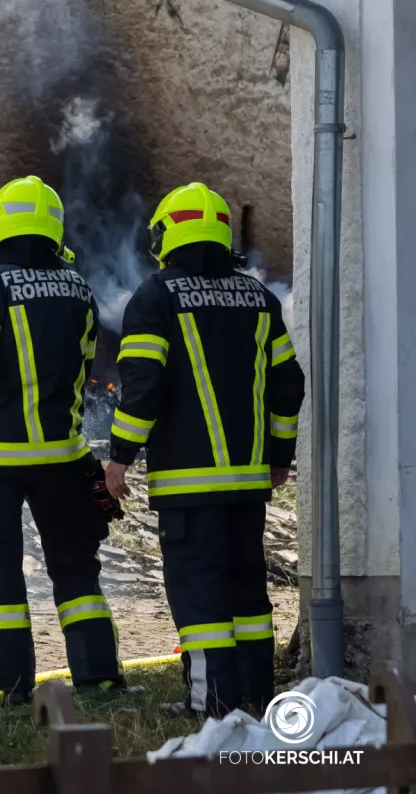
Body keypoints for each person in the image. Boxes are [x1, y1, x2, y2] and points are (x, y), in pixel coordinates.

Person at [104, 182, 305, 718]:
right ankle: (257, 694)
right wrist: (279, 455)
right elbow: (289, 384)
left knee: (200, 595)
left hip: (188, 485)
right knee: (248, 594)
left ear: (167, 238)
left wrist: (120, 455)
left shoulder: (156, 297)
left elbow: (142, 385)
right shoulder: (259, 299)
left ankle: (210, 702)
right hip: (249, 484)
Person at [0, 175, 124, 706]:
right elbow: (81, 366)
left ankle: (14, 687)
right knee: (76, 568)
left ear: (1, 226)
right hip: (62, 457)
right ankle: (98, 677)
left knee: (3, 572)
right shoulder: (79, 288)